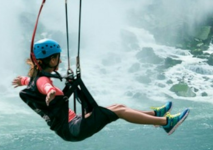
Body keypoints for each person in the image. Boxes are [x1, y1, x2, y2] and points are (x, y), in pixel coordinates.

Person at [12, 38, 190, 142]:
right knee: (119, 111)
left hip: (72, 125)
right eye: (58, 57)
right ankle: (166, 123)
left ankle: (154, 114)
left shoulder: (33, 81)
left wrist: (23, 80)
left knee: (117, 106)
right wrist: (50, 91)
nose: (60, 59)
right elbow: (45, 86)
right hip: (74, 128)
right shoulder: (43, 81)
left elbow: (35, 83)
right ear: (52, 60)